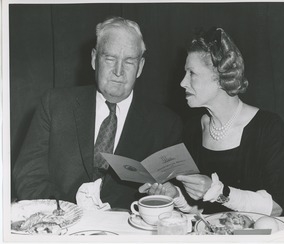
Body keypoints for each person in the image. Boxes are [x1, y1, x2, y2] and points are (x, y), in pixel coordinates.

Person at [12, 16, 183, 209]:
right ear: (94, 59)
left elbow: (175, 197)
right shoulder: (55, 105)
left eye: (129, 62)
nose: (118, 71)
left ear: (140, 67)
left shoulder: (166, 124)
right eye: (110, 58)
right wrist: (69, 211)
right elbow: (28, 176)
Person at [140, 27, 284, 216]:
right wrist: (176, 196)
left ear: (220, 77)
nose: (182, 82)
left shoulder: (268, 127)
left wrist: (218, 192)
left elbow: (276, 206)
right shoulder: (193, 129)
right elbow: (204, 212)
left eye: (191, 73)